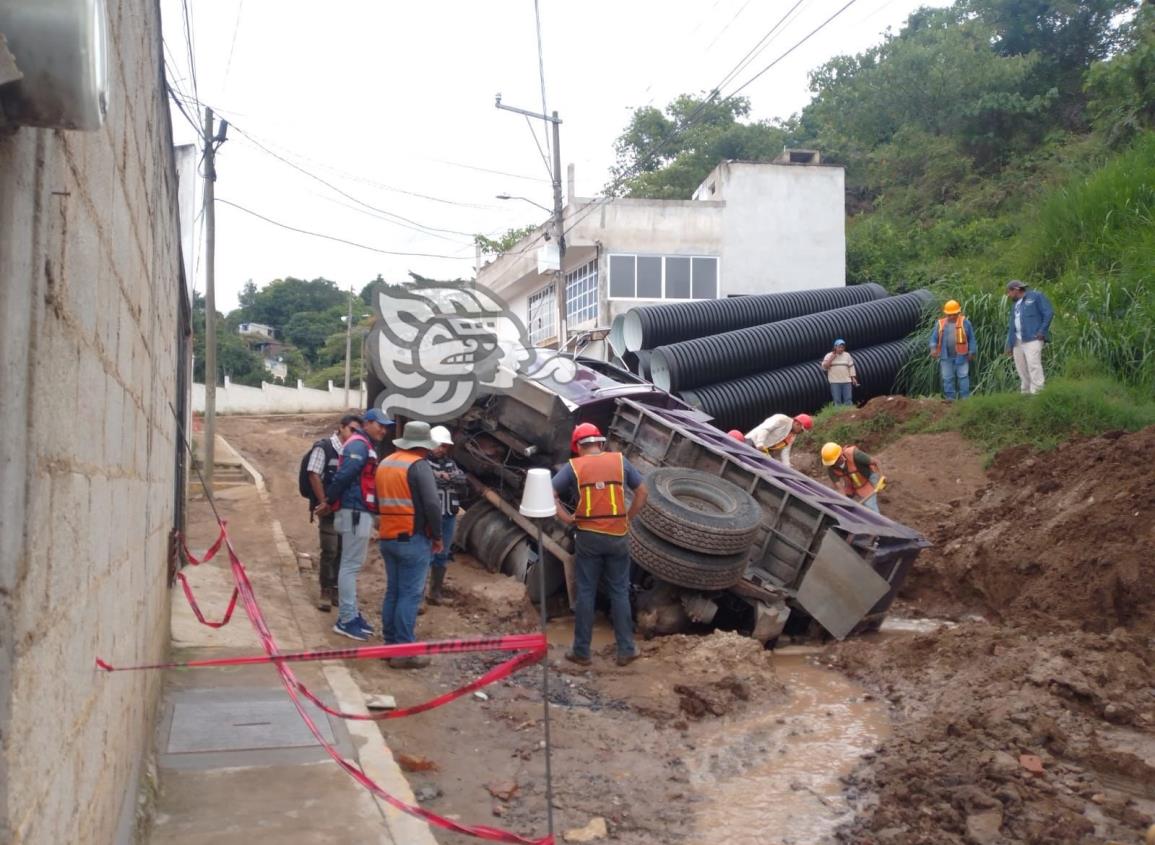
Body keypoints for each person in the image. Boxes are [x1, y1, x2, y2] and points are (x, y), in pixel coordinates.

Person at [552, 422, 648, 668]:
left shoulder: (574, 466)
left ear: (578, 446)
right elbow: (642, 492)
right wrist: (628, 517)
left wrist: (566, 517)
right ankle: (626, 649)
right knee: (619, 591)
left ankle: (582, 651)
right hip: (618, 536)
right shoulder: (619, 461)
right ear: (600, 443)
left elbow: (549, 491)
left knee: (586, 591)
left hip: (588, 536)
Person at [316, 408, 393, 641]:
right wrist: (328, 501)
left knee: (352, 564)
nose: (384, 430)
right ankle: (346, 619)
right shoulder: (359, 445)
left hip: (358, 510)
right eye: (379, 424)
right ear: (367, 423)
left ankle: (351, 614)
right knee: (349, 566)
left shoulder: (365, 445)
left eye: (386, 426)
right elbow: (344, 476)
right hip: (354, 510)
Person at [375, 420, 443, 668]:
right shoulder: (418, 465)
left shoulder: (387, 462)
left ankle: (389, 646)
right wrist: (437, 536)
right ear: (423, 445)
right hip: (412, 539)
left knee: (393, 592)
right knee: (409, 595)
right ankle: (403, 652)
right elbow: (433, 505)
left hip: (388, 536)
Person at [304, 413, 362, 611]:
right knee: (330, 550)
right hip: (328, 509)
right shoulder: (325, 448)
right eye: (352, 430)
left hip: (347, 509)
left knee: (343, 551)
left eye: (358, 431)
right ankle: (326, 590)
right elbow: (313, 474)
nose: (354, 434)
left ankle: (336, 588)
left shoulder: (354, 451)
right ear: (341, 427)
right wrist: (323, 502)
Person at [425, 425, 466, 606]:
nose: (442, 449)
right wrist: (444, 477)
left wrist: (445, 477)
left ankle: (435, 593)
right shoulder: (423, 463)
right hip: (431, 517)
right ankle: (418, 596)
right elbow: (433, 481)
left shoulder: (450, 463)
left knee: (442, 554)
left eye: (444, 446)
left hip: (449, 516)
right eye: (440, 445)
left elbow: (462, 480)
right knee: (426, 555)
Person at [1005, 279, 1054, 395]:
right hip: (1017, 340)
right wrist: (1009, 344)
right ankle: (1026, 392)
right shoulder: (1015, 305)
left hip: (1033, 338)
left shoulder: (1036, 297)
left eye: (1009, 292)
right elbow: (1012, 325)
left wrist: (1042, 331)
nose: (1008, 295)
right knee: (1021, 368)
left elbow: (1048, 312)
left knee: (1033, 364)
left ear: (1016, 290)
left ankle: (1037, 393)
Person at [929, 300, 976, 401]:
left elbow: (971, 338)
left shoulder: (965, 323)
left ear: (958, 313)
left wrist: (972, 351)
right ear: (946, 313)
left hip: (962, 355)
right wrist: (933, 348)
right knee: (947, 378)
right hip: (945, 356)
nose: (951, 317)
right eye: (949, 314)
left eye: (954, 314)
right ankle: (950, 399)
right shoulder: (940, 324)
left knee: (963, 377)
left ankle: (965, 399)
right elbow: (934, 338)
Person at [821, 442, 885, 514]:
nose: (832, 465)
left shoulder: (854, 454)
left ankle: (877, 521)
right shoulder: (831, 468)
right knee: (842, 499)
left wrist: (882, 478)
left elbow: (877, 462)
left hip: (868, 477)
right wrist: (846, 504)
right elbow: (840, 489)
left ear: (840, 456)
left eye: (834, 462)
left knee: (870, 506)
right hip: (852, 482)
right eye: (830, 464)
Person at [743, 413, 813, 467]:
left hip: (763, 449)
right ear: (797, 423)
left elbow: (786, 450)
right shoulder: (781, 419)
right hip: (752, 441)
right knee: (743, 461)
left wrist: (787, 466)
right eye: (802, 430)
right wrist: (760, 443)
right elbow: (765, 429)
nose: (801, 433)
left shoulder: (792, 435)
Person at [821, 339, 859, 406]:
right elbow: (824, 368)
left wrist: (853, 378)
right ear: (835, 347)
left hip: (846, 381)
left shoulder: (847, 355)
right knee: (837, 401)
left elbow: (851, 367)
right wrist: (831, 358)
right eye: (839, 347)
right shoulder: (828, 355)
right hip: (835, 382)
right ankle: (839, 415)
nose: (841, 349)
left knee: (848, 400)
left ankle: (849, 414)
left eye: (843, 347)